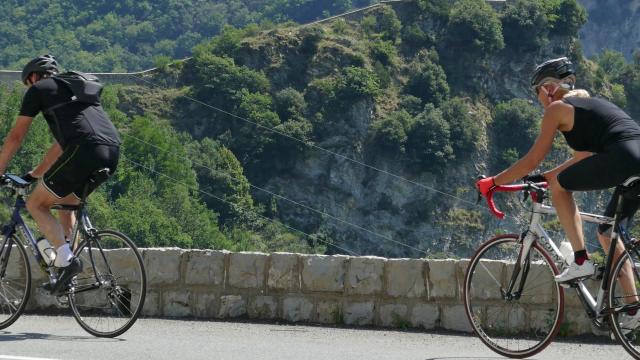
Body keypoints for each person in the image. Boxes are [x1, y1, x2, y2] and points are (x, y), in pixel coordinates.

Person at [476, 57, 640, 331]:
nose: (538, 98)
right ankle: (634, 309)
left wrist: (493, 182)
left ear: (549, 88)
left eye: (537, 91)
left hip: (623, 159)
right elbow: (583, 158)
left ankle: (580, 261)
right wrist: (544, 178)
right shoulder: (587, 107)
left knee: (561, 188)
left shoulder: (558, 109)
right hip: (633, 161)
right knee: (606, 231)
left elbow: (531, 160)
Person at [0, 55, 121, 293]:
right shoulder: (72, 90)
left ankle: (67, 261)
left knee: (36, 204)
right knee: (66, 203)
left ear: (32, 77)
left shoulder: (38, 90)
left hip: (83, 149)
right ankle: (69, 279)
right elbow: (58, 148)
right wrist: (34, 175)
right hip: (111, 150)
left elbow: (16, 137)